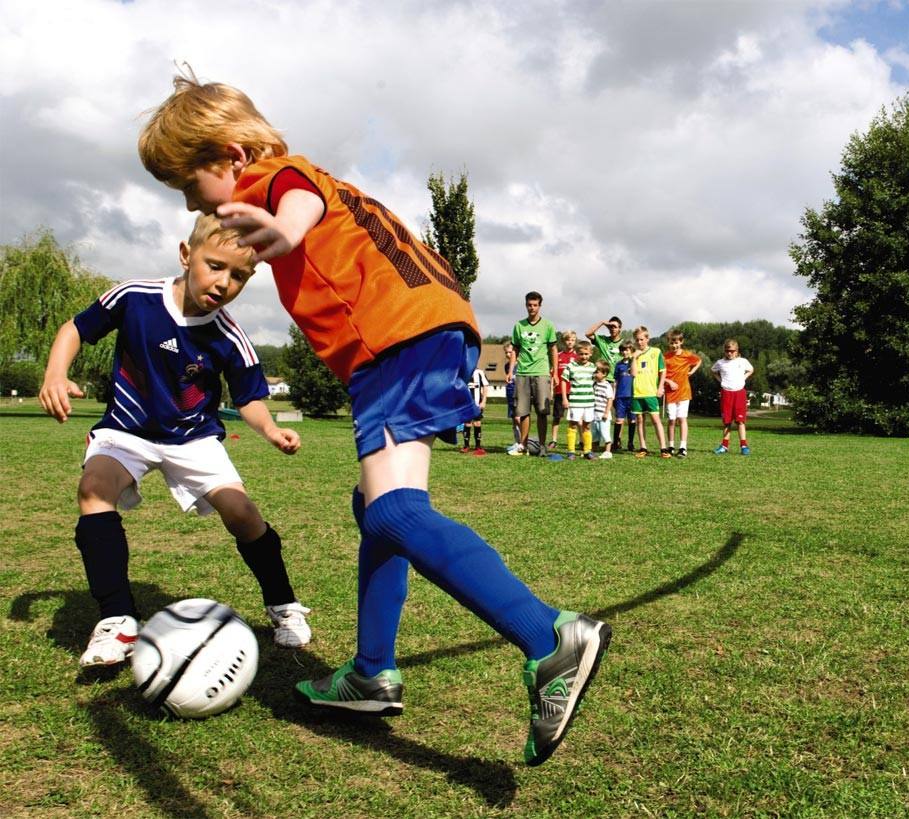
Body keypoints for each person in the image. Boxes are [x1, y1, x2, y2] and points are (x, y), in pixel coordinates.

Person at [138, 73, 610, 767]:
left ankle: (550, 637)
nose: (189, 202)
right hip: (429, 325)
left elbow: (293, 202)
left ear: (232, 156)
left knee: (391, 511)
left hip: (394, 339)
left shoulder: (276, 177)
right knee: (376, 505)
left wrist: (282, 227)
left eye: (188, 184)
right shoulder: (314, 180)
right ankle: (370, 672)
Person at [38, 214, 311, 666]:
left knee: (243, 514)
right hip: (126, 429)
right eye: (215, 265)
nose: (224, 283)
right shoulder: (134, 298)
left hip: (193, 437)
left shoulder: (229, 336)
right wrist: (54, 373)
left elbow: (250, 400)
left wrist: (271, 430)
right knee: (93, 489)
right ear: (187, 255)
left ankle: (283, 606)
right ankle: (118, 622)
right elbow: (74, 329)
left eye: (239, 275)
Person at [507, 292, 558, 457]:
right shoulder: (519, 326)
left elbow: (553, 350)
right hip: (522, 373)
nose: (532, 308)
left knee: (542, 411)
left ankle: (542, 446)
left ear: (540, 306)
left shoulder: (548, 326)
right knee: (522, 412)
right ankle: (523, 445)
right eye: (529, 305)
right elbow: (515, 349)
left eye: (535, 305)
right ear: (526, 305)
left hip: (541, 372)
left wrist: (555, 372)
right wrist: (510, 371)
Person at [630, 326, 670, 458]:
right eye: (637, 340)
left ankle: (663, 448)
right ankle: (643, 448)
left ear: (647, 339)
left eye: (642, 339)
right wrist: (634, 358)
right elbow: (634, 374)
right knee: (640, 420)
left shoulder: (656, 352)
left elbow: (663, 370)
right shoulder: (634, 354)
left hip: (651, 392)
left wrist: (660, 387)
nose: (639, 342)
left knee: (656, 420)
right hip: (637, 393)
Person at [663, 331, 703, 457]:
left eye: (676, 342)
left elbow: (699, 361)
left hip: (684, 392)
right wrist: (668, 381)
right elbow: (659, 374)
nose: (674, 345)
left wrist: (692, 371)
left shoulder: (687, 355)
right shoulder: (665, 357)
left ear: (681, 342)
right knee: (671, 420)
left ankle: (682, 447)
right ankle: (670, 446)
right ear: (668, 343)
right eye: (671, 343)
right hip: (670, 393)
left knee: (682, 419)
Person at [711, 339, 754, 455]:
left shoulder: (743, 361)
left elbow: (751, 370)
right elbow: (713, 370)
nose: (729, 353)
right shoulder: (720, 363)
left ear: (737, 351)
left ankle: (744, 445)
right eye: (727, 351)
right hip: (726, 393)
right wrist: (721, 381)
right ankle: (724, 446)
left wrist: (743, 378)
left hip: (739, 393)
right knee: (727, 422)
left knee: (740, 421)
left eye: (732, 351)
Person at [560, 339, 597, 460]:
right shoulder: (571, 366)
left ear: (590, 353)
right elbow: (564, 381)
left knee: (587, 426)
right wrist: (565, 398)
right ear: (576, 353)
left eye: (586, 354)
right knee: (573, 425)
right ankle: (571, 451)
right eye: (581, 354)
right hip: (575, 402)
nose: (584, 356)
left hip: (589, 402)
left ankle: (588, 451)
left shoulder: (593, 367)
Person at [548, 329, 578, 451]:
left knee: (577, 418)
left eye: (572, 340)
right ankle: (554, 440)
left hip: (574, 392)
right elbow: (552, 374)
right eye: (568, 340)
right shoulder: (558, 356)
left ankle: (580, 441)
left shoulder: (577, 357)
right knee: (557, 417)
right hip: (560, 392)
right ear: (563, 341)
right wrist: (551, 391)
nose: (570, 342)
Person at [613, 341, 637, 451]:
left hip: (632, 396)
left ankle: (630, 443)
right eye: (623, 350)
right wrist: (614, 395)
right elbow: (616, 381)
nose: (624, 352)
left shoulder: (634, 363)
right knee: (619, 420)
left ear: (631, 351)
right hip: (620, 397)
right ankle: (616, 442)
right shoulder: (618, 365)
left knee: (632, 420)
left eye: (627, 349)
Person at [461, 365, 488, 455]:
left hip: (477, 403)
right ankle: (466, 446)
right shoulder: (463, 371)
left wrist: (483, 401)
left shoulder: (480, 372)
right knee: (467, 423)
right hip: (466, 403)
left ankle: (478, 446)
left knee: (477, 423)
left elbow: (485, 387)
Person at [592, 360, 615, 459]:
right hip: (594, 414)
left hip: (603, 415)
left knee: (605, 433)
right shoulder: (594, 384)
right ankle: (592, 451)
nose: (595, 374)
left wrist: (606, 412)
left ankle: (608, 451)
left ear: (604, 373)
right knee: (594, 434)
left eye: (597, 372)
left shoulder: (607, 386)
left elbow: (610, 400)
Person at [503, 342, 520, 448]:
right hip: (510, 392)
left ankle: (524, 441)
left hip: (519, 393)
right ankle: (517, 442)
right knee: (514, 419)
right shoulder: (506, 366)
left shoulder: (521, 365)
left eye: (510, 352)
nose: (508, 354)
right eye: (506, 353)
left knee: (519, 418)